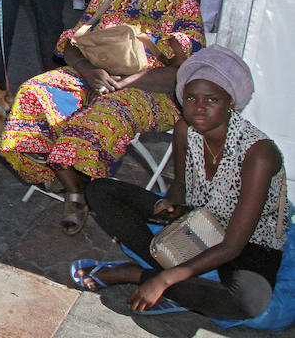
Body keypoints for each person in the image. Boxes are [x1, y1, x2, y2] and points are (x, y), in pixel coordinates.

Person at [0, 0, 205, 234]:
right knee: (33, 93)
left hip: (152, 89)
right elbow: (71, 44)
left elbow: (182, 73)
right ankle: (69, 181)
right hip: (94, 76)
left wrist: (121, 85)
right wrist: (89, 72)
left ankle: (78, 188)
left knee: (100, 115)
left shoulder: (181, 4)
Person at [75, 45, 288, 321]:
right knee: (100, 191)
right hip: (200, 218)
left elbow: (233, 245)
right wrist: (172, 201)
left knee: (248, 302)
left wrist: (161, 281)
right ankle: (178, 278)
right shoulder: (185, 129)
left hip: (249, 240)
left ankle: (136, 272)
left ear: (231, 103)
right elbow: (181, 186)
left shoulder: (258, 154)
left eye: (212, 100)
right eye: (191, 98)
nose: (199, 108)